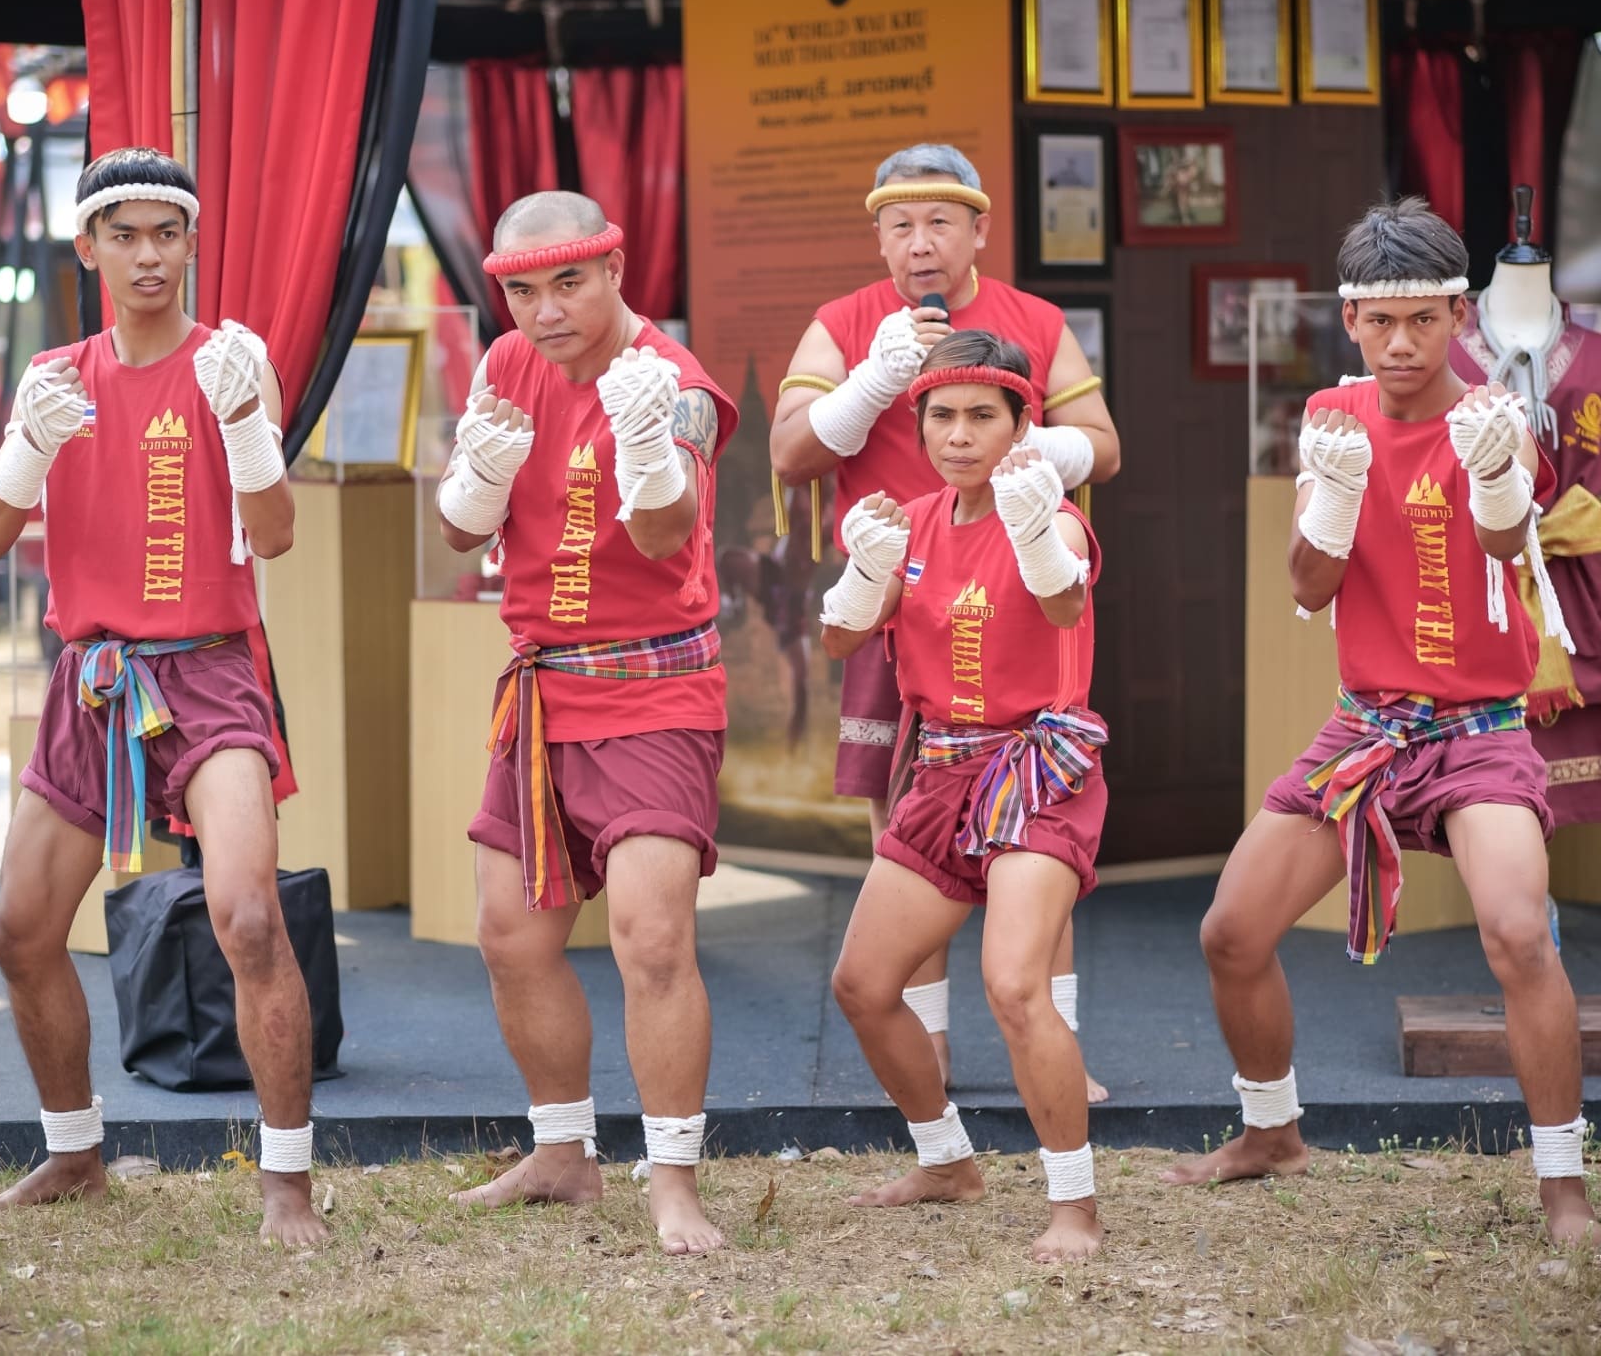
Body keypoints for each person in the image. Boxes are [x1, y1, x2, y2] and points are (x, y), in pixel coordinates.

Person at [1162, 197, 1601, 1247]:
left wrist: (1496, 470)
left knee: (1513, 934)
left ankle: (1562, 1188)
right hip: (1364, 725)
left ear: (1459, 313)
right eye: (1378, 321)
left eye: (1421, 318)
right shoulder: (1331, 413)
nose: (1399, 342)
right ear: (1349, 320)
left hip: (1482, 728)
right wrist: (1327, 495)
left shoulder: (1497, 415)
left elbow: (1505, 548)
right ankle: (1269, 1133)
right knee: (1228, 934)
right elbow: (1308, 590)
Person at [0, 146, 327, 1246]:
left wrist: (245, 430)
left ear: (191, 242)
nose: (147, 254)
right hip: (94, 680)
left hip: (210, 667)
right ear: (89, 248)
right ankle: (74, 1153)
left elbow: (274, 535)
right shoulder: (60, 376)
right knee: (21, 932)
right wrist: (29, 444)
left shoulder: (235, 362)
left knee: (250, 917)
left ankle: (286, 1185)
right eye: (123, 234)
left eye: (165, 233)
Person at [768, 142, 1120, 1098]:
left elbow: (1104, 446)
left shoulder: (1035, 320)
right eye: (899, 225)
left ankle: (1058, 1056)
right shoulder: (842, 323)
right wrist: (873, 384)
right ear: (878, 235)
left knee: (1038, 823)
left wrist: (1026, 452)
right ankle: (930, 1058)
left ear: (979, 228)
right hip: (896, 591)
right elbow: (790, 450)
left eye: (938, 222)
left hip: (1022, 580)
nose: (919, 244)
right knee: (906, 824)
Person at [436, 190, 738, 1256]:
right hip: (542, 687)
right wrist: (474, 477)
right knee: (509, 939)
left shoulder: (676, 384)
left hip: (654, 691)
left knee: (651, 939)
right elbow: (452, 537)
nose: (547, 308)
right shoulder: (506, 365)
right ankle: (561, 1153)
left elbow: (667, 534)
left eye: (569, 282)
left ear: (613, 272)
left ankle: (673, 1182)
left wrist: (647, 445)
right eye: (523, 289)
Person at [823, 331, 1107, 1263]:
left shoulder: (1053, 515)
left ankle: (1075, 1204)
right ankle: (946, 1160)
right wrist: (864, 573)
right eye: (941, 415)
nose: (958, 433)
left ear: (1023, 424)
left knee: (1015, 984)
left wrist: (1032, 530)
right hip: (941, 772)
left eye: (982, 414)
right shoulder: (903, 520)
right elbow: (840, 643)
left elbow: (1063, 603)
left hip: (1038, 769)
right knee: (863, 986)